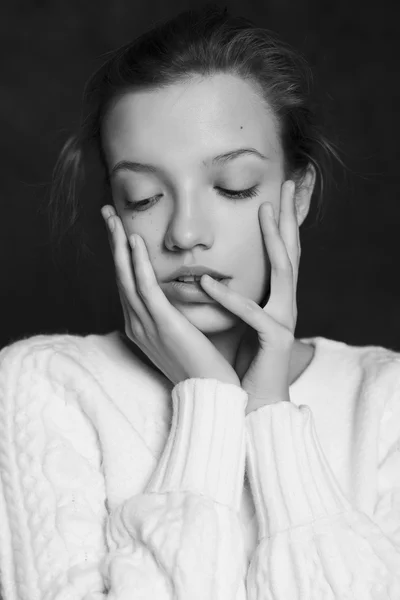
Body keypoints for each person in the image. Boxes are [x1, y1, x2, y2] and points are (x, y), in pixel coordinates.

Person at [1, 4, 399, 599]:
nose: (185, 233)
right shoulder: (44, 385)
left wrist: (269, 412)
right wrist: (208, 401)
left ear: (298, 197)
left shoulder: (385, 399)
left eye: (232, 186)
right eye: (143, 197)